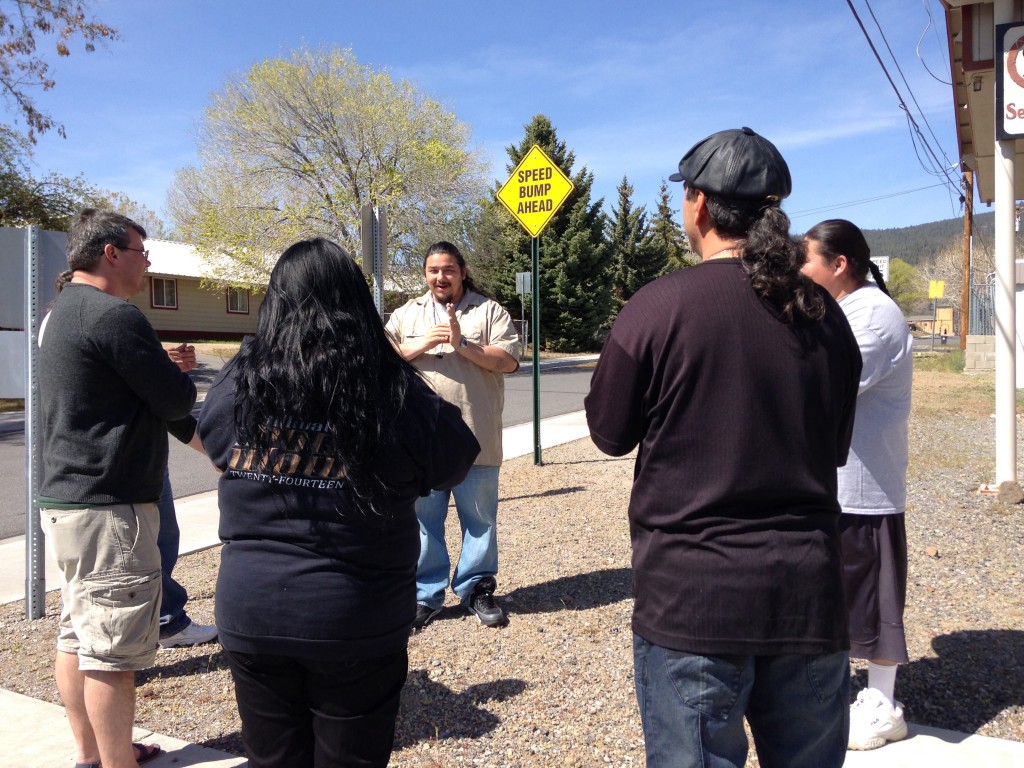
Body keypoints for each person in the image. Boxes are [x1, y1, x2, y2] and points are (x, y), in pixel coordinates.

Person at [584, 128, 863, 768]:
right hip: (807, 596)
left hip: (694, 600)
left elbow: (608, 433)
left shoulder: (655, 308)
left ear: (699, 206)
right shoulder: (823, 311)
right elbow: (835, 443)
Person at [198, 238, 479, 767]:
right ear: (356, 303)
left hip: (253, 608)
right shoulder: (389, 385)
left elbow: (214, 444)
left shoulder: (243, 376)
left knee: (273, 758)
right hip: (356, 616)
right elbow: (454, 457)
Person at [38, 209, 198, 768]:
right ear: (110, 253)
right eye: (140, 250)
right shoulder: (114, 316)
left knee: (77, 636)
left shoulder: (60, 313)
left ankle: (92, 754)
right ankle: (117, 764)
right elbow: (177, 402)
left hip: (66, 506)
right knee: (111, 654)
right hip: (110, 510)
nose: (147, 261)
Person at [803, 219, 914, 751]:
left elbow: (823, 381)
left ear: (838, 263)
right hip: (840, 484)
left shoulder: (873, 316)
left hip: (865, 489)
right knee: (843, 595)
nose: (802, 272)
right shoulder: (848, 309)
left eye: (808, 261)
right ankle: (857, 692)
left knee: (876, 598)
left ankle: (885, 704)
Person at [385, 241, 520, 629]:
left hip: (476, 436)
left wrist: (461, 343)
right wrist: (427, 341)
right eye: (433, 270)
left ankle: (477, 588)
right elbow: (382, 356)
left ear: (462, 272)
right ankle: (426, 595)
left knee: (479, 519)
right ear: (425, 274)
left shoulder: (488, 310)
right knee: (424, 521)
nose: (440, 277)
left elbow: (508, 361)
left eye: (448, 270)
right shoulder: (406, 314)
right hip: (421, 440)